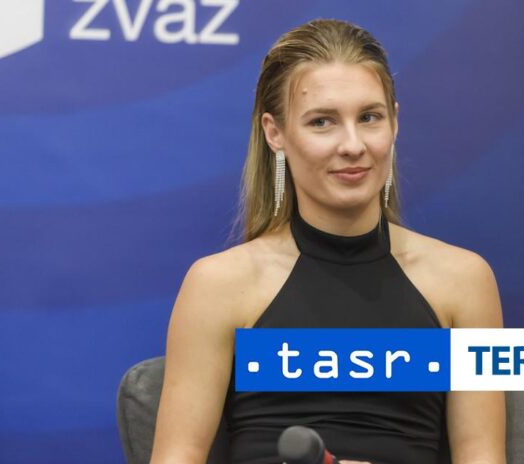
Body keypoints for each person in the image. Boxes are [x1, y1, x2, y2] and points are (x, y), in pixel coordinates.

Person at [150, 18, 505, 464]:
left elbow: (482, 455)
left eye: (369, 117)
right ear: (275, 133)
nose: (353, 145)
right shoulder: (217, 285)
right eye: (322, 122)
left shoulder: (464, 281)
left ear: (395, 122)